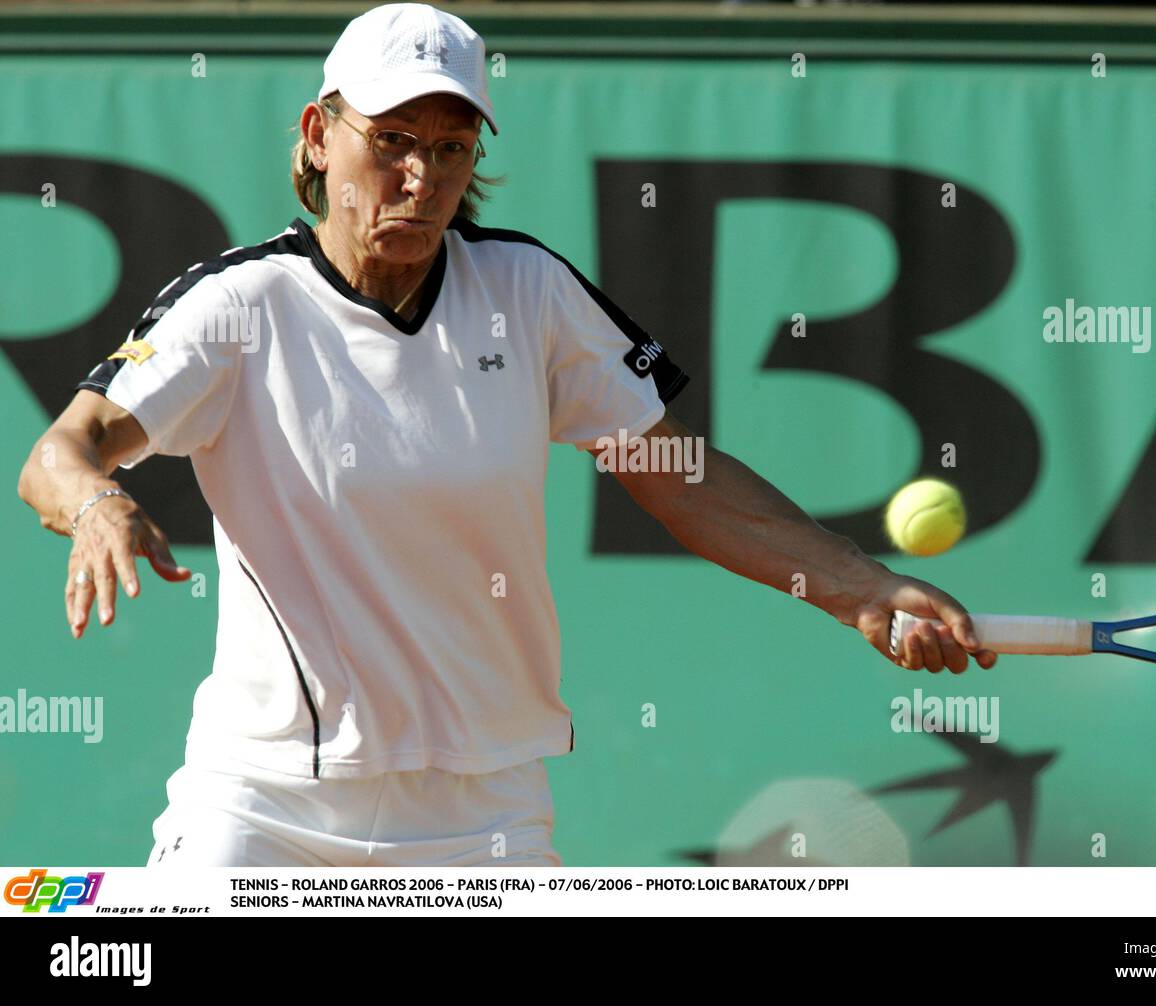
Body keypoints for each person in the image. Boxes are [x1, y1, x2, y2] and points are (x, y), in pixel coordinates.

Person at [16, 2, 995, 868]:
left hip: (483, 816)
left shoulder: (529, 295)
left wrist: (856, 586)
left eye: (451, 149)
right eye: (390, 140)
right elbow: (59, 453)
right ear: (319, 137)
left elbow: (680, 477)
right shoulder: (240, 305)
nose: (419, 177)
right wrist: (98, 501)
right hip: (265, 804)